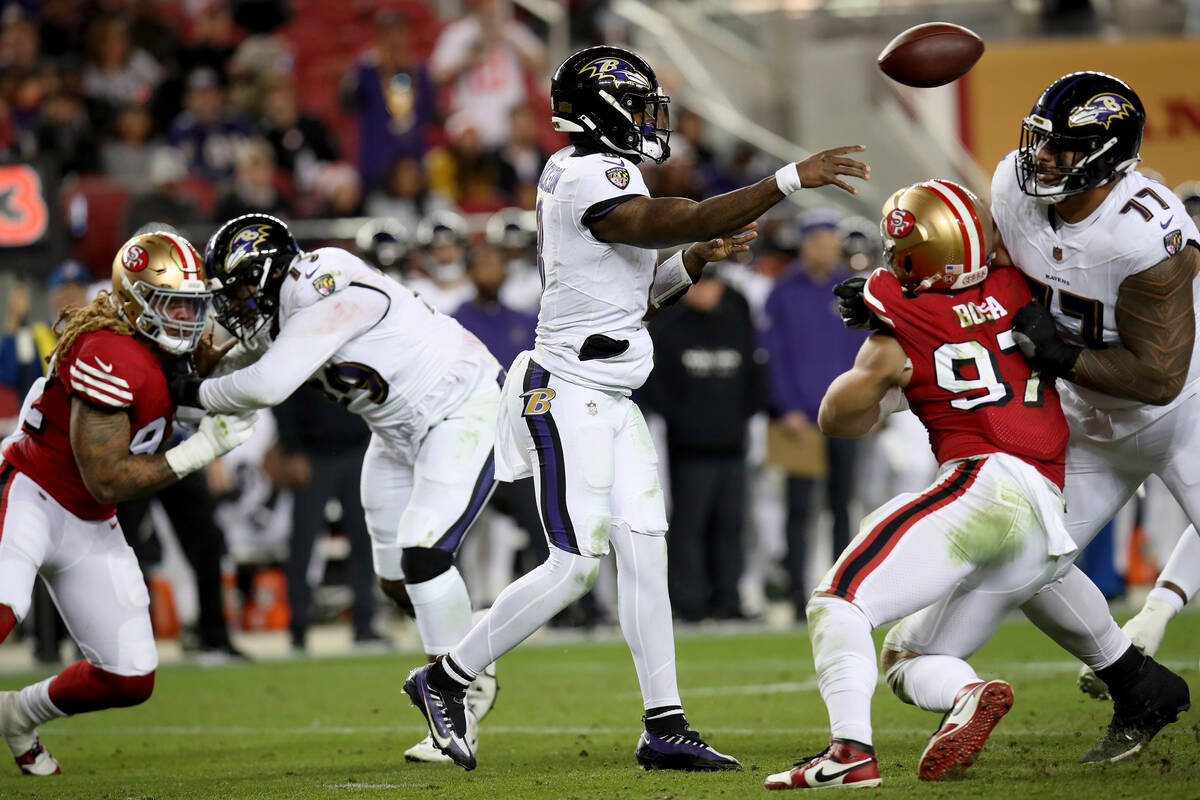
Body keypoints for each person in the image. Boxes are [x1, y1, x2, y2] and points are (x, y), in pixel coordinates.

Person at [401, 44, 869, 772]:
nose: (653, 121)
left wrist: (697, 262)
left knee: (645, 557)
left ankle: (665, 724)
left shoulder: (592, 179)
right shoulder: (592, 171)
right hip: (567, 392)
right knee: (575, 564)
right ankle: (446, 677)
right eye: (641, 105)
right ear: (604, 108)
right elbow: (672, 219)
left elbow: (632, 295)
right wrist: (787, 178)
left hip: (611, 395)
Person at [166, 213, 502, 764]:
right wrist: (179, 381)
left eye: (243, 287)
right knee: (395, 579)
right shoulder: (280, 313)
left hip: (460, 408)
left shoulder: (327, 280)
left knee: (423, 554)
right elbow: (239, 371)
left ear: (273, 273)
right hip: (396, 434)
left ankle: (454, 706)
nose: (236, 303)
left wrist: (195, 389)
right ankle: (475, 663)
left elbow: (267, 384)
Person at [983, 71, 1197, 760]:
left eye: (1063, 149)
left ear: (1109, 155)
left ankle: (1158, 612)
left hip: (1184, 415)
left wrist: (1060, 356)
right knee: (1023, 562)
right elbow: (987, 280)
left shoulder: (1150, 234)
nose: (1041, 159)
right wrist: (899, 296)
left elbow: (1160, 379)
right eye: (1041, 142)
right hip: (1091, 425)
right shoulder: (1012, 189)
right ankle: (1137, 686)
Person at [0, 231, 255, 775]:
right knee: (3, 610)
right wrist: (203, 448)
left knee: (129, 676)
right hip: (33, 494)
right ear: (136, 301)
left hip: (90, 523)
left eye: (194, 302)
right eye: (174, 303)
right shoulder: (108, 350)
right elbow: (107, 478)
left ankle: (17, 712)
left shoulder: (159, 350)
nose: (189, 316)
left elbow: (173, 392)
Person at [760, 210, 868, 612]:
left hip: (845, 417)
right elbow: (772, 357)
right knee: (799, 508)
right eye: (819, 242)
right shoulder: (782, 293)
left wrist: (866, 405)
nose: (827, 250)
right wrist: (786, 409)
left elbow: (867, 353)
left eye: (831, 242)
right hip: (798, 421)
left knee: (844, 505)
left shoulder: (852, 291)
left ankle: (843, 591)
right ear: (805, 245)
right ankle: (794, 591)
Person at [643, 268, 765, 620]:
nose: (705, 291)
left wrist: (739, 417)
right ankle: (689, 601)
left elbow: (756, 378)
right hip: (689, 448)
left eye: (711, 283)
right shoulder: (668, 327)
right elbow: (654, 386)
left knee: (730, 525)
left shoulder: (737, 323)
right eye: (698, 283)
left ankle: (728, 598)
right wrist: (684, 420)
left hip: (731, 444)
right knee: (688, 526)